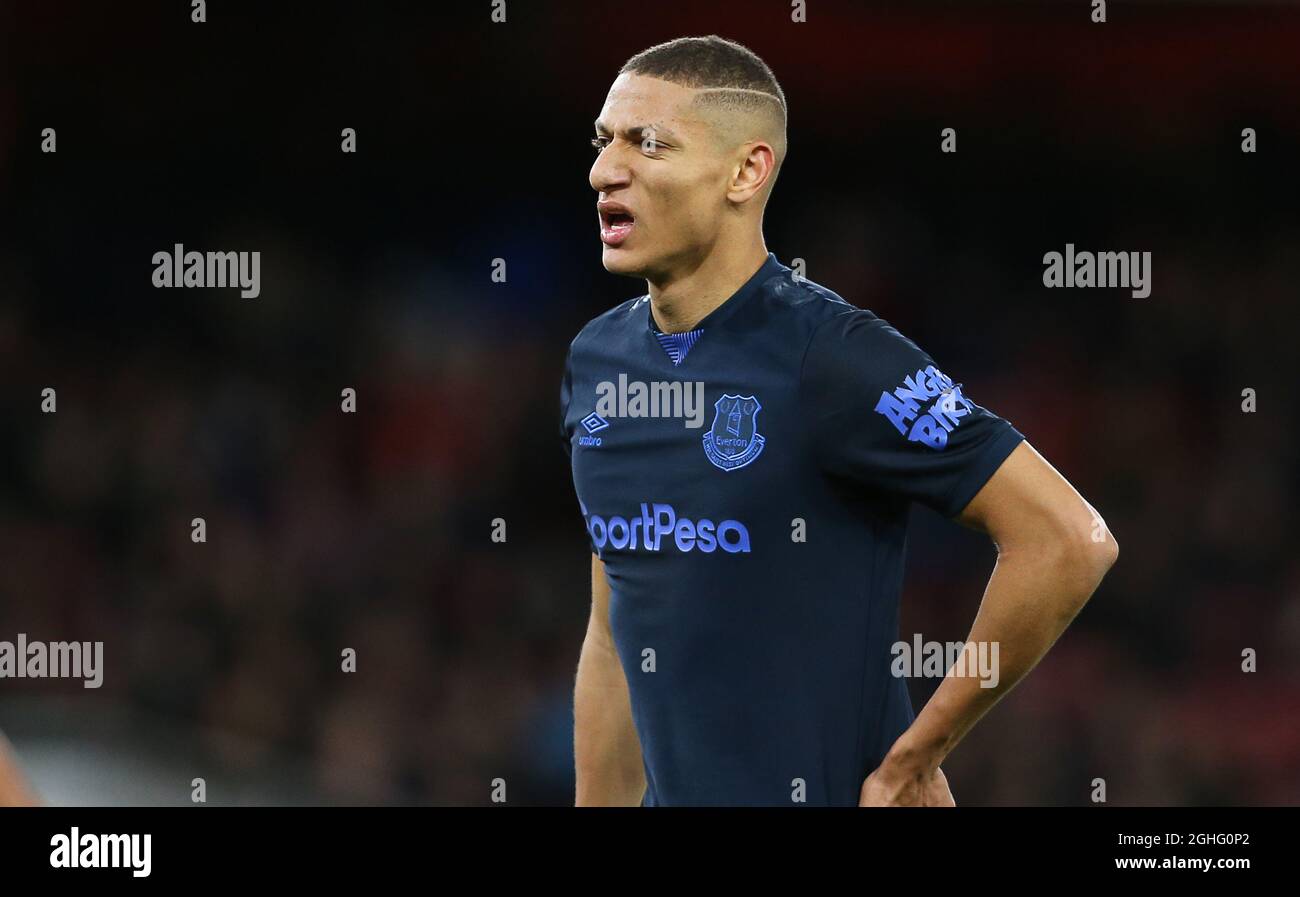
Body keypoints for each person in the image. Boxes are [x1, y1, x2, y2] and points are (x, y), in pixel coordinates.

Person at [561, 35, 1117, 806]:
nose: (604, 170)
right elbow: (612, 635)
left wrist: (918, 757)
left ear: (746, 171)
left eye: (648, 143)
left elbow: (1067, 539)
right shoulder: (597, 364)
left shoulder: (836, 358)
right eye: (604, 141)